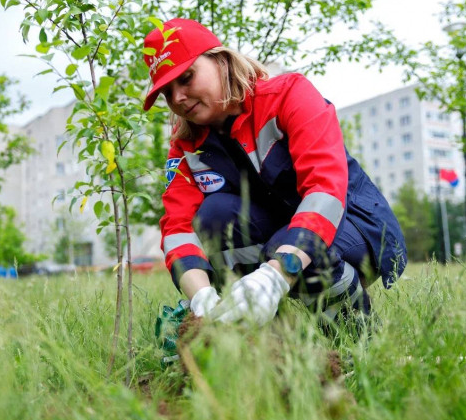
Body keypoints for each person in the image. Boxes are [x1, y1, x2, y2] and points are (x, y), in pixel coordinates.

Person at [143, 18, 407, 327]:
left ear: (221, 60)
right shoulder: (186, 145)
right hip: (281, 234)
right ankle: (265, 339)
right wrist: (201, 297)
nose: (177, 98)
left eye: (186, 78)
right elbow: (177, 228)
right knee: (215, 215)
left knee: (289, 245)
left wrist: (277, 273)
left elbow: (325, 189)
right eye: (166, 92)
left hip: (358, 229)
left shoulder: (289, 94)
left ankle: (357, 345)